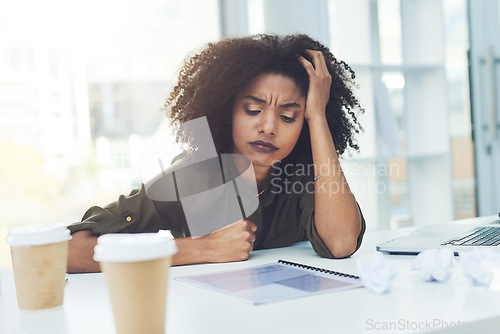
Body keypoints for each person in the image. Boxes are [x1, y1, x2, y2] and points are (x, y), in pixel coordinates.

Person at [67, 33, 366, 273]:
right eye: (253, 110)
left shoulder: (307, 173)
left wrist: (318, 116)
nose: (269, 127)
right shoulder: (192, 176)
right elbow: (71, 250)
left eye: (289, 117)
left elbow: (340, 242)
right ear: (228, 110)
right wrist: (203, 248)